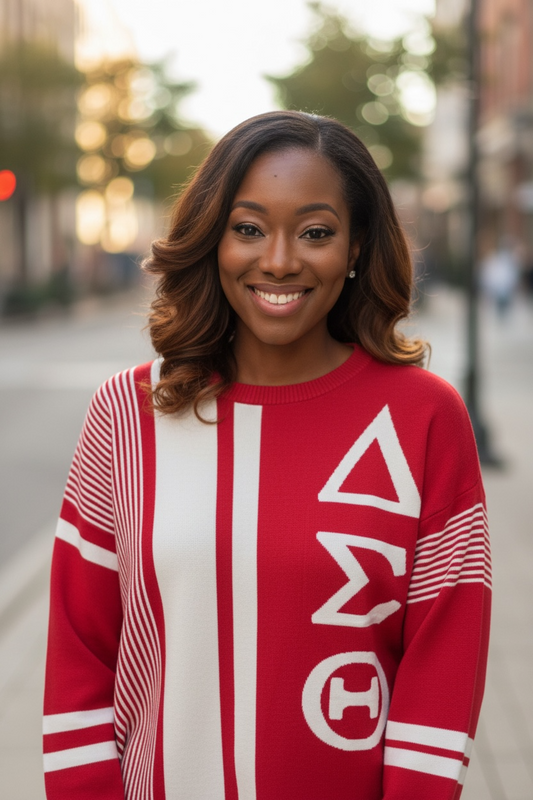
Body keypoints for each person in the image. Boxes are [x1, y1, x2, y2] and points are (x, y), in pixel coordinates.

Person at [43, 111, 491, 799]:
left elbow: (444, 654)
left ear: (354, 247)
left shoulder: (423, 416)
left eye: (315, 232)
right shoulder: (126, 415)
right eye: (247, 228)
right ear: (212, 239)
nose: (278, 260)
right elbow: (81, 650)